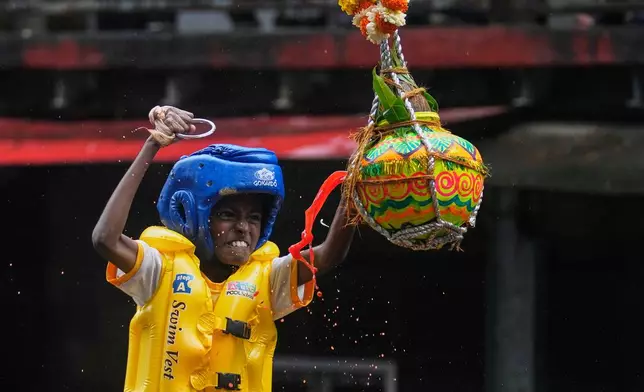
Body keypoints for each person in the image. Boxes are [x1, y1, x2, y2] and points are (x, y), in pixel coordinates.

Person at [92, 105, 355, 392]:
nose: (243, 227)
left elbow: (330, 254)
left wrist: (355, 184)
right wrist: (152, 144)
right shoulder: (159, 271)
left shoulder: (267, 279)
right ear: (194, 215)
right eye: (228, 215)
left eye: (253, 218)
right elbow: (106, 239)